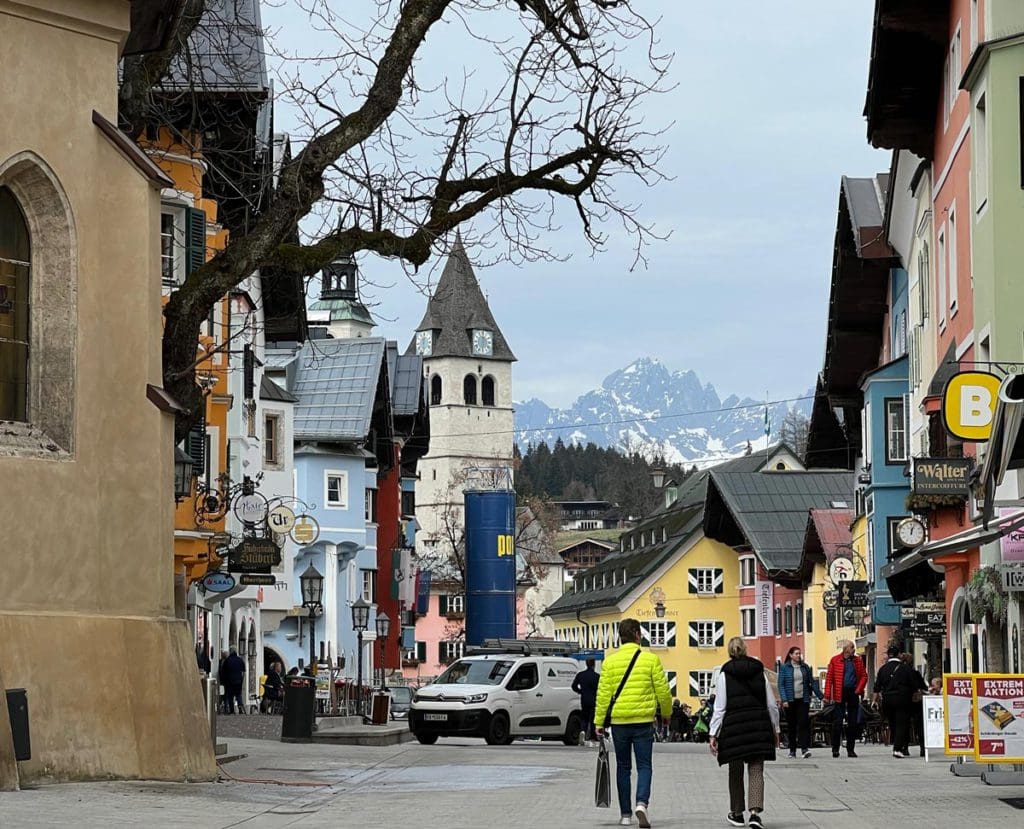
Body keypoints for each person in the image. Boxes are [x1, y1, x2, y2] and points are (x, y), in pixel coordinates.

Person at [594, 618, 672, 829]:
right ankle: (641, 803)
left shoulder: (610, 662)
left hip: (619, 722)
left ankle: (625, 815)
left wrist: (599, 722)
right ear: (638, 634)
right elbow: (663, 691)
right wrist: (666, 713)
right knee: (645, 765)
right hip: (644, 721)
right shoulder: (650, 660)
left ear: (620, 636)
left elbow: (603, 696)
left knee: (623, 767)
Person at [709, 637, 780, 829]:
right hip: (758, 725)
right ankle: (755, 814)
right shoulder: (759, 671)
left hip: (734, 728)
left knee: (736, 770)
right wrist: (776, 729)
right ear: (746, 649)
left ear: (730, 652)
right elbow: (771, 704)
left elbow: (720, 707)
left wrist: (713, 733)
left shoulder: (725, 674)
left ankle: (737, 812)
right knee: (756, 769)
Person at [823, 640, 867, 758]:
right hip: (839, 692)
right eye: (852, 647)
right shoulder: (835, 660)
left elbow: (864, 676)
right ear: (846, 649)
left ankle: (850, 749)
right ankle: (835, 749)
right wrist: (827, 695)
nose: (854, 649)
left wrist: (858, 689)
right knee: (837, 722)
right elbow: (829, 678)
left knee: (853, 722)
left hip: (853, 692)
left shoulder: (858, 660)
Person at [778, 646, 821, 759]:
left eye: (799, 653)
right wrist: (784, 699)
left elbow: (812, 683)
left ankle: (804, 749)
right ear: (791, 655)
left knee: (803, 723)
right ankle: (792, 750)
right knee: (792, 725)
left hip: (803, 699)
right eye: (796, 653)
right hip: (790, 701)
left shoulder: (805, 667)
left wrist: (821, 696)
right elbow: (781, 684)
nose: (798, 655)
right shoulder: (784, 668)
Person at [873, 646, 916, 758]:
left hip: (887, 700)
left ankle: (899, 745)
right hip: (902, 699)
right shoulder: (905, 668)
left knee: (893, 723)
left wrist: (874, 700)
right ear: (899, 654)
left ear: (888, 655)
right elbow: (913, 684)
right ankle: (899, 748)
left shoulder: (882, 669)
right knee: (902, 723)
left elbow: (877, 687)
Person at [900, 654, 928, 757]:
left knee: (905, 725)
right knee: (919, 725)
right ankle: (922, 748)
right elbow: (923, 686)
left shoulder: (900, 674)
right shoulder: (915, 673)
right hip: (916, 702)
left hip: (904, 702)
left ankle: (905, 748)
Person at [571, 657, 600, 745]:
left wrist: (580, 691)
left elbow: (573, 686)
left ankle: (582, 731)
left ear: (586, 664)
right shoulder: (597, 676)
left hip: (584, 699)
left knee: (584, 717)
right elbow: (601, 688)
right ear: (594, 665)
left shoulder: (580, 675)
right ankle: (593, 736)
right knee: (593, 718)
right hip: (594, 699)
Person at [220, 646, 247, 715]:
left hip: (229, 681)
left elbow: (223, 672)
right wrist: (241, 681)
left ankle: (232, 710)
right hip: (238, 681)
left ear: (230, 652)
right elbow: (243, 672)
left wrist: (223, 681)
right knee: (238, 695)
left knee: (230, 696)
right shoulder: (240, 660)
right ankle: (240, 707)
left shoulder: (227, 660)